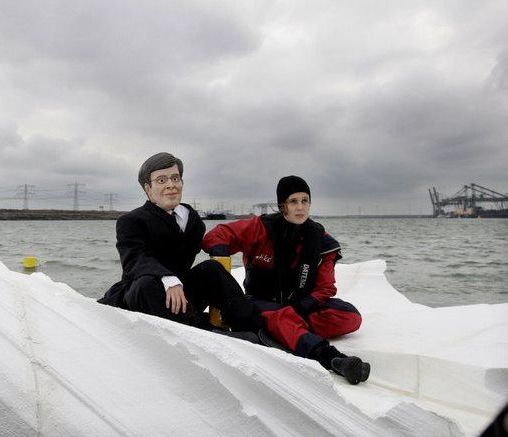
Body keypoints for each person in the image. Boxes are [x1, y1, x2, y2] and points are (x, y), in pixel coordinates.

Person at [202, 175, 370, 384]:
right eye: (293, 201)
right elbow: (217, 234)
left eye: (304, 201)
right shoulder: (259, 228)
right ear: (282, 206)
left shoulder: (322, 242)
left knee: (350, 316)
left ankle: (278, 331)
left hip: (299, 307)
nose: (300, 207)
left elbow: (325, 288)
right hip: (259, 303)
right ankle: (333, 359)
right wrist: (221, 256)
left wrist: (300, 307)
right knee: (281, 317)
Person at [98, 152, 259, 331]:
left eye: (175, 178)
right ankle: (203, 331)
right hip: (144, 293)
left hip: (181, 296)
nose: (171, 185)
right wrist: (167, 278)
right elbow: (135, 260)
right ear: (148, 189)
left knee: (212, 269)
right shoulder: (131, 221)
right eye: (161, 180)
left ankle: (250, 328)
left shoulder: (194, 221)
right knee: (147, 285)